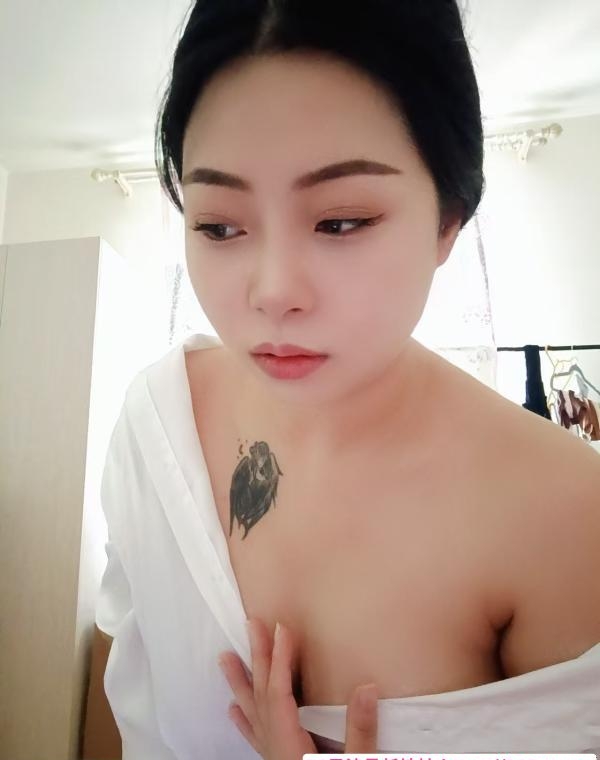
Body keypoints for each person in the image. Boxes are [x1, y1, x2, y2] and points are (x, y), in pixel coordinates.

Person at [96, 0, 600, 756]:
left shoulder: (564, 514)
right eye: (219, 226)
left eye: (340, 222)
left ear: (449, 219)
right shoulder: (156, 427)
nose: (273, 292)